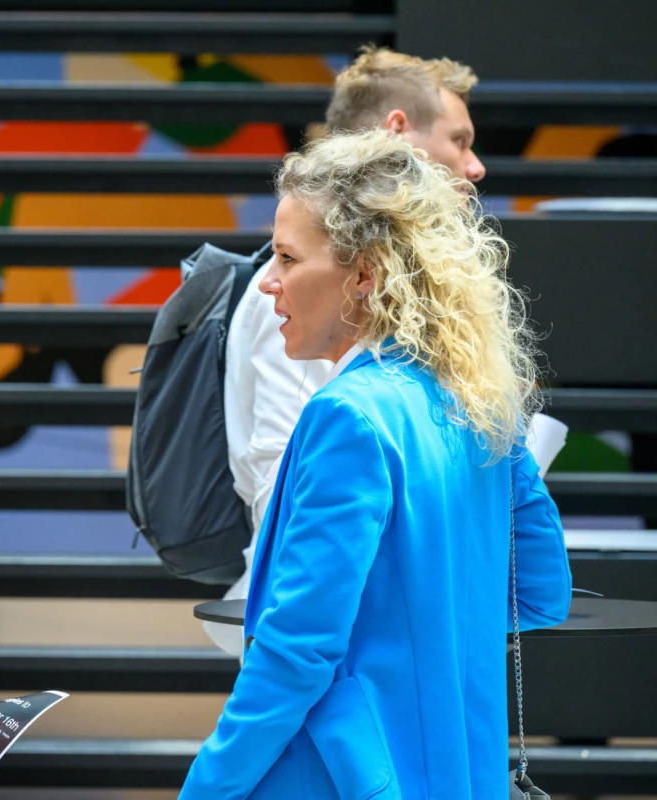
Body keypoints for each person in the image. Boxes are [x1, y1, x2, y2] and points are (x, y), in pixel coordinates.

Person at [179, 130, 571, 799]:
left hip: (345, 777)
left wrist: (204, 790)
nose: (267, 282)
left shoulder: (347, 417)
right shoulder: (476, 403)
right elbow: (540, 592)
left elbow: (296, 652)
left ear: (365, 273)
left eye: (284, 257)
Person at [207, 47, 489, 655]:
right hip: (322, 619)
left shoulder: (396, 305)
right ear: (396, 130)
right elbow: (275, 475)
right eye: (459, 140)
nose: (475, 166)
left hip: (386, 621)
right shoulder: (299, 292)